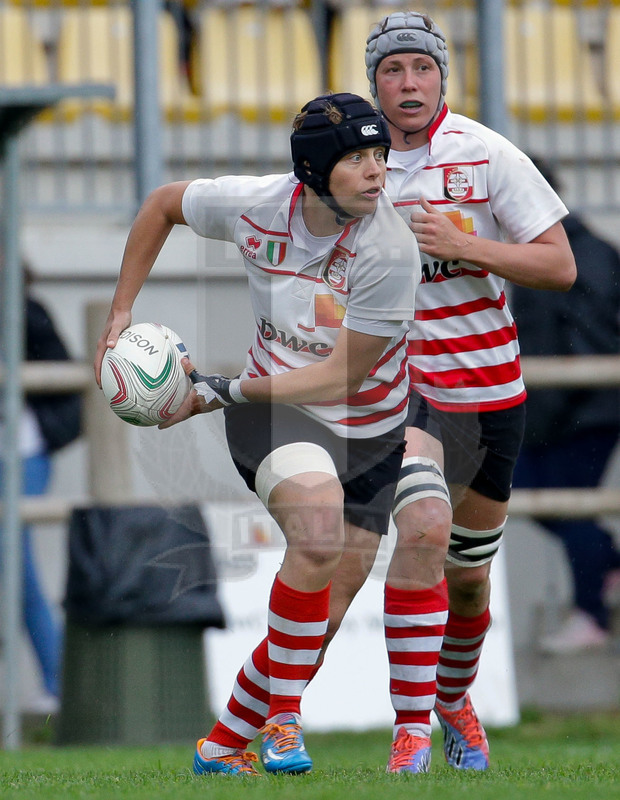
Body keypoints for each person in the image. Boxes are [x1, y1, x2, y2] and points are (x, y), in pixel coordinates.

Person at [196, 12, 578, 775]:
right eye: (394, 70)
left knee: (468, 583)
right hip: (405, 394)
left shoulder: (485, 155)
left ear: (443, 77)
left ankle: (452, 702)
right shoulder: (349, 165)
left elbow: (560, 266)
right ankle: (277, 729)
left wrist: (468, 245)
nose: (410, 83)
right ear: (374, 81)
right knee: (367, 554)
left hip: (492, 393)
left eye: (423, 69)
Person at [93, 92, 423, 775]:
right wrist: (121, 311)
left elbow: (341, 377)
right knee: (318, 529)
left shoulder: (390, 248)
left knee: (319, 619)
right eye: (357, 158)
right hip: (276, 412)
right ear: (313, 168)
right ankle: (283, 721)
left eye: (380, 157)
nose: (375, 173)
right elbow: (160, 204)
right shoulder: (253, 205)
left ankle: (221, 744)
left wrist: (218, 390)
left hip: (370, 431)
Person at [511, 158, 620, 654]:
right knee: (529, 495)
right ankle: (607, 571)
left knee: (567, 505)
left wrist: (541, 417)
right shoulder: (545, 249)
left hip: (586, 409)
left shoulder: (581, 252)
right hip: (561, 410)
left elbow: (588, 343)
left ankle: (592, 612)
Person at [0, 263, 82, 713]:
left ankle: (57, 685)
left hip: (21, 453)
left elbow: (61, 376)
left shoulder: (26, 311)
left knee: (17, 566)